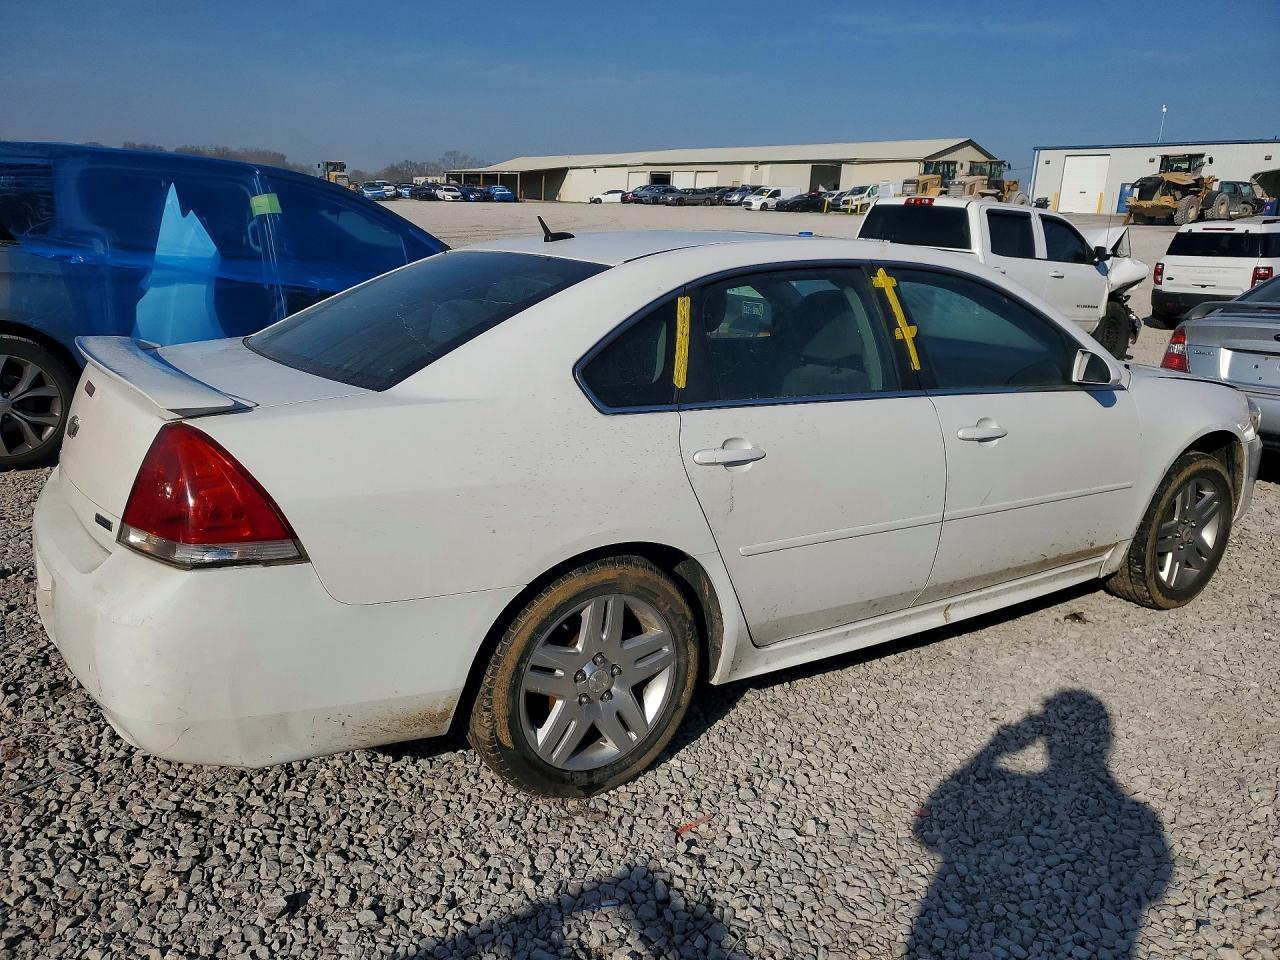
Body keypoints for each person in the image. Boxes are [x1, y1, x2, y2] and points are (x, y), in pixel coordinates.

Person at [908, 690, 1171, 959]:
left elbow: (926, 828)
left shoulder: (1014, 788)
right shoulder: (1142, 819)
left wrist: (994, 749)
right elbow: (1152, 887)